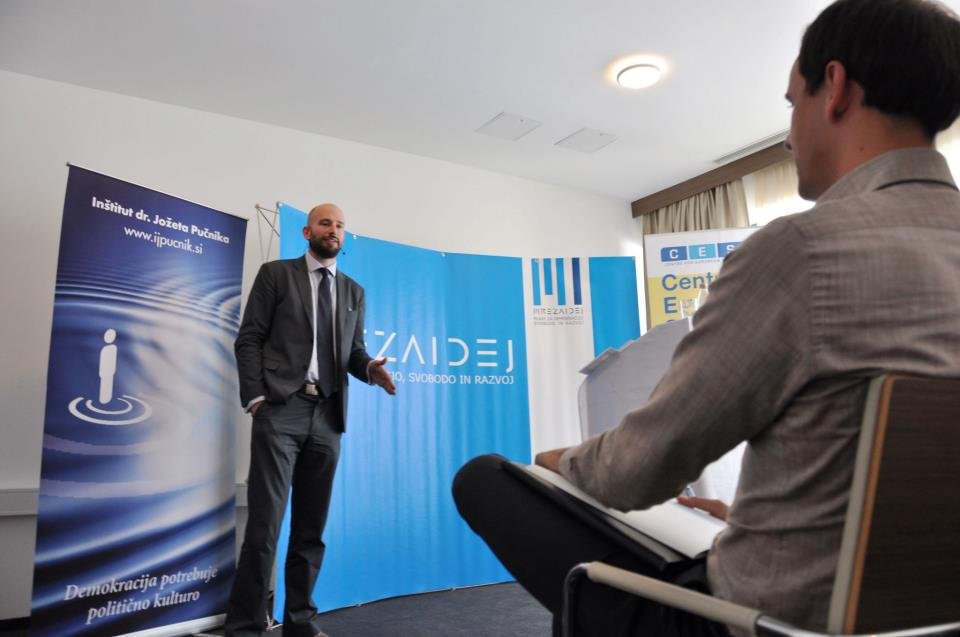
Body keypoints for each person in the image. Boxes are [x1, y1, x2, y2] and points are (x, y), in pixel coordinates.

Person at [453, 0, 960, 634]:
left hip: (769, 623)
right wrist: (755, 522)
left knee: (486, 479)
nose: (789, 135)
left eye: (792, 103)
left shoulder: (800, 251)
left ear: (834, 88)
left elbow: (638, 470)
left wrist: (560, 461)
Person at [226, 203, 396, 637]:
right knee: (264, 527)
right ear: (307, 231)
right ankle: (245, 627)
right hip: (281, 410)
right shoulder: (276, 275)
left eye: (340, 225)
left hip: (327, 416)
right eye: (325, 223)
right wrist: (256, 398)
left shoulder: (354, 291)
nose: (333, 229)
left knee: (311, 528)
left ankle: (300, 621)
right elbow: (249, 339)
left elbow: (353, 353)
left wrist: (370, 370)